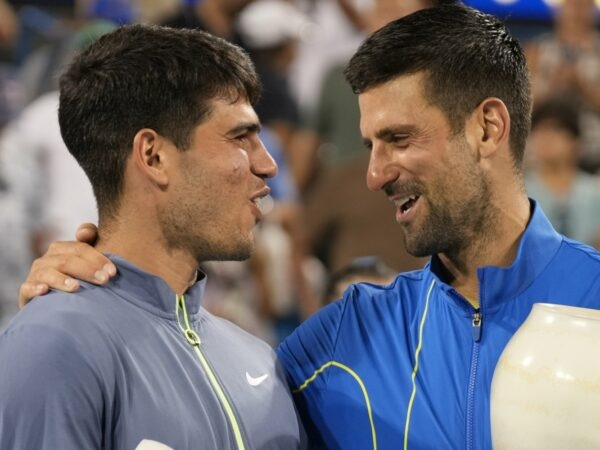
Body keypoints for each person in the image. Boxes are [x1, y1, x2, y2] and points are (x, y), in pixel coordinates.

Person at [15, 3, 600, 449]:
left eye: (397, 139)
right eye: (369, 143)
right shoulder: (333, 348)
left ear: (488, 129)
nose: (373, 175)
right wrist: (83, 300)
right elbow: (177, 356)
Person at [0, 24, 305, 449]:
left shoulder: (261, 359)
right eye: (241, 137)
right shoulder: (55, 344)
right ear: (154, 156)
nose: (269, 164)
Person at [525, 96, 600, 248]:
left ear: (575, 141)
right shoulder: (521, 192)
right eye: (538, 130)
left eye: (555, 130)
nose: (545, 138)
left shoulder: (594, 191)